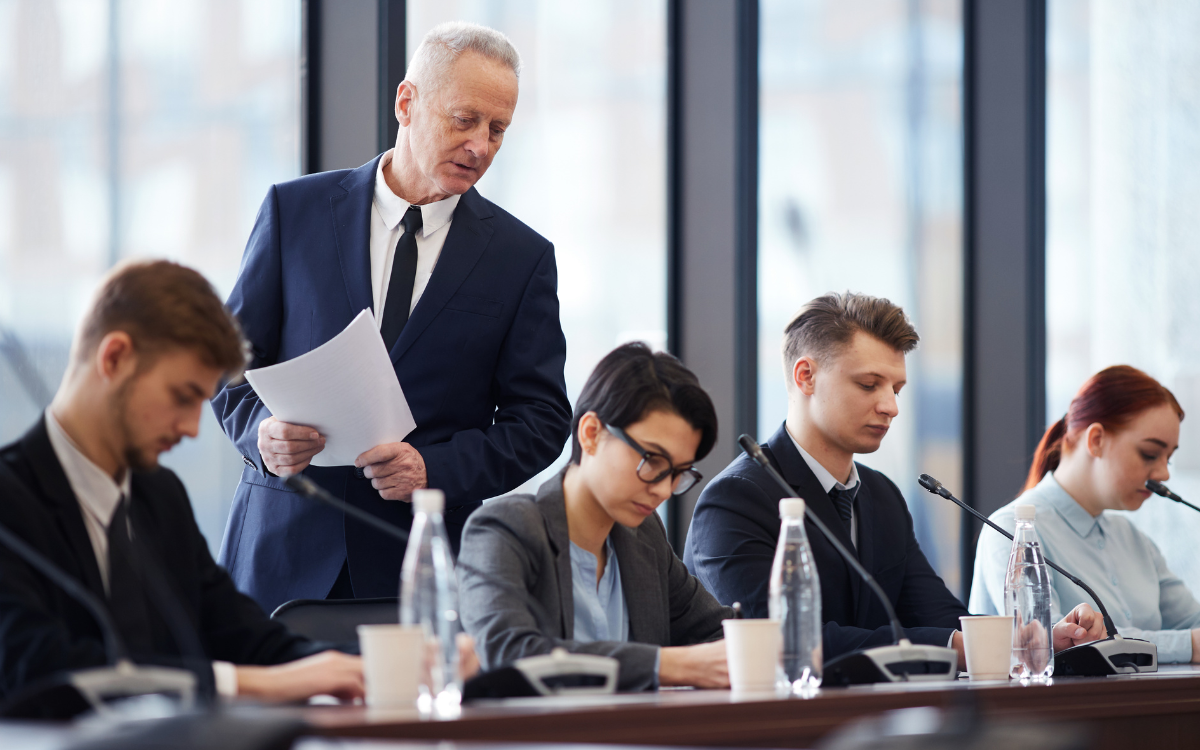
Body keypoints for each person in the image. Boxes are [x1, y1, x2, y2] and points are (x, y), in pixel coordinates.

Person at [213, 22, 572, 612]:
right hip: (279, 553)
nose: (481, 145)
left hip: (418, 568)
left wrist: (435, 467)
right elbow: (225, 365)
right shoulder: (293, 211)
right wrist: (260, 435)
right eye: (465, 120)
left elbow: (541, 418)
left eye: (498, 128)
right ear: (407, 103)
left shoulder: (521, 258)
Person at [0, 260, 365, 703]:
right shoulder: (10, 501)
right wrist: (248, 684)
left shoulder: (159, 496)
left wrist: (379, 671)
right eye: (182, 396)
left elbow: (246, 637)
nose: (194, 428)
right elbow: (39, 670)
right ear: (114, 358)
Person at [684, 292, 1106, 665]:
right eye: (869, 385)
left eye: (897, 389)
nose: (890, 407)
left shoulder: (882, 495)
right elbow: (779, 639)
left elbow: (937, 614)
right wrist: (955, 645)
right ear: (805, 376)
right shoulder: (735, 500)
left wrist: (1032, 640)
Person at [458, 343, 732, 691]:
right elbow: (508, 654)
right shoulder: (505, 529)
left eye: (678, 473)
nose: (664, 490)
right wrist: (665, 665)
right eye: (652, 461)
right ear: (590, 433)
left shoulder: (644, 535)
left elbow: (720, 632)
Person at [970, 365, 1200, 663]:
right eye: (1149, 454)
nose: (1164, 474)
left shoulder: (1134, 539)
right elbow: (1047, 646)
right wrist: (1186, 646)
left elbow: (1193, 623)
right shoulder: (1013, 531)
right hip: (1053, 710)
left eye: (1169, 458)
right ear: (1096, 440)